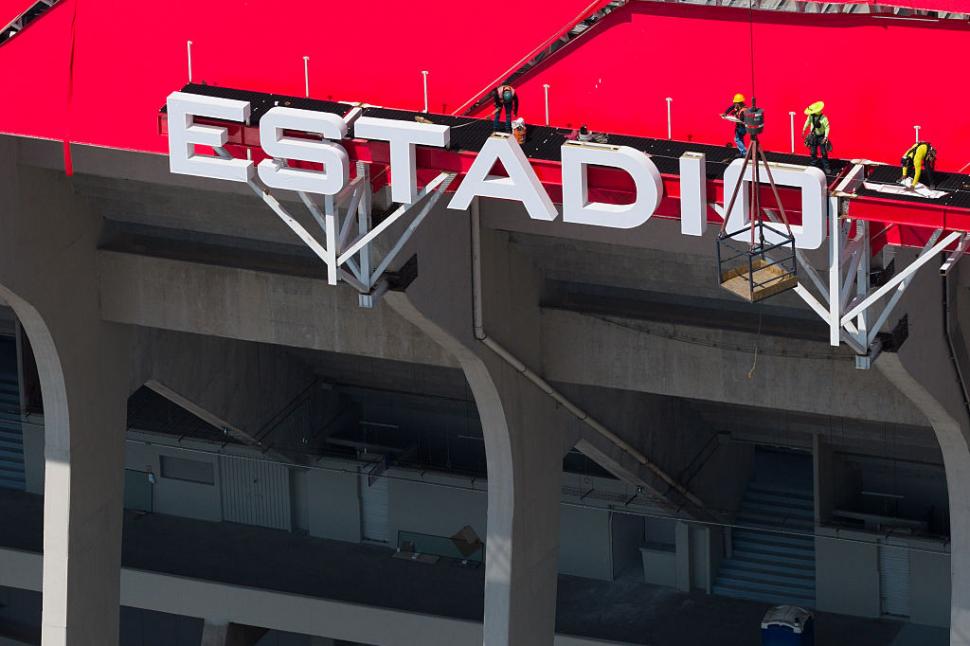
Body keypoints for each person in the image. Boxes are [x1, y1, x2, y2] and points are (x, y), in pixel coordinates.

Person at [801, 101, 831, 174]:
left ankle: (826, 167)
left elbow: (827, 127)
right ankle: (813, 165)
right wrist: (804, 129)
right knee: (813, 152)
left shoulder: (824, 118)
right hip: (813, 136)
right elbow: (807, 122)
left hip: (822, 137)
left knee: (823, 152)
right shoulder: (811, 116)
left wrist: (826, 137)